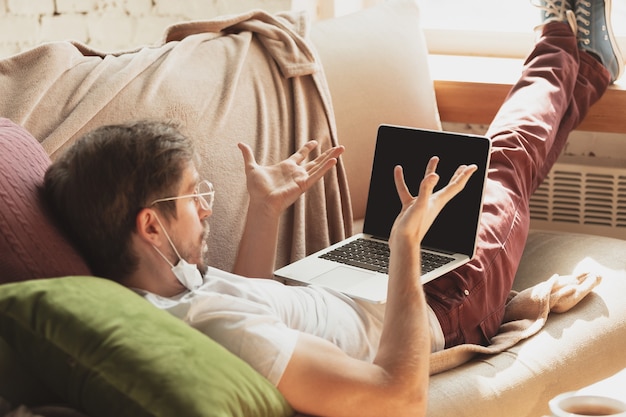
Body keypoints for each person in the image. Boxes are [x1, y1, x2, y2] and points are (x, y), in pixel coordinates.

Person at [42, 0, 621, 416]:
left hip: (357, 282)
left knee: (494, 164)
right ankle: (560, 36)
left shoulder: (165, 288)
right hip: (436, 307)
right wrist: (403, 250)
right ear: (149, 224)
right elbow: (397, 399)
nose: (208, 208)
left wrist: (266, 210)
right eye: (194, 196)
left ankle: (586, 60)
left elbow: (250, 301)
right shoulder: (210, 329)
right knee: (504, 162)